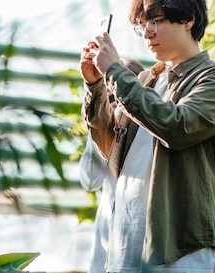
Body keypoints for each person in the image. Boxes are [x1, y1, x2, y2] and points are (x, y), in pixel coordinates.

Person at [79, 0, 215, 272]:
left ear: (189, 19)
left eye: (155, 21)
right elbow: (109, 148)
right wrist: (95, 86)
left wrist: (115, 70)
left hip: (179, 251)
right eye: (142, 26)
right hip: (125, 247)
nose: (146, 33)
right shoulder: (146, 80)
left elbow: (177, 127)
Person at [80, 59, 144, 273]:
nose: (115, 100)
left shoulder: (149, 131)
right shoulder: (105, 125)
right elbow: (89, 182)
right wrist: (99, 127)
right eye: (109, 95)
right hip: (107, 230)